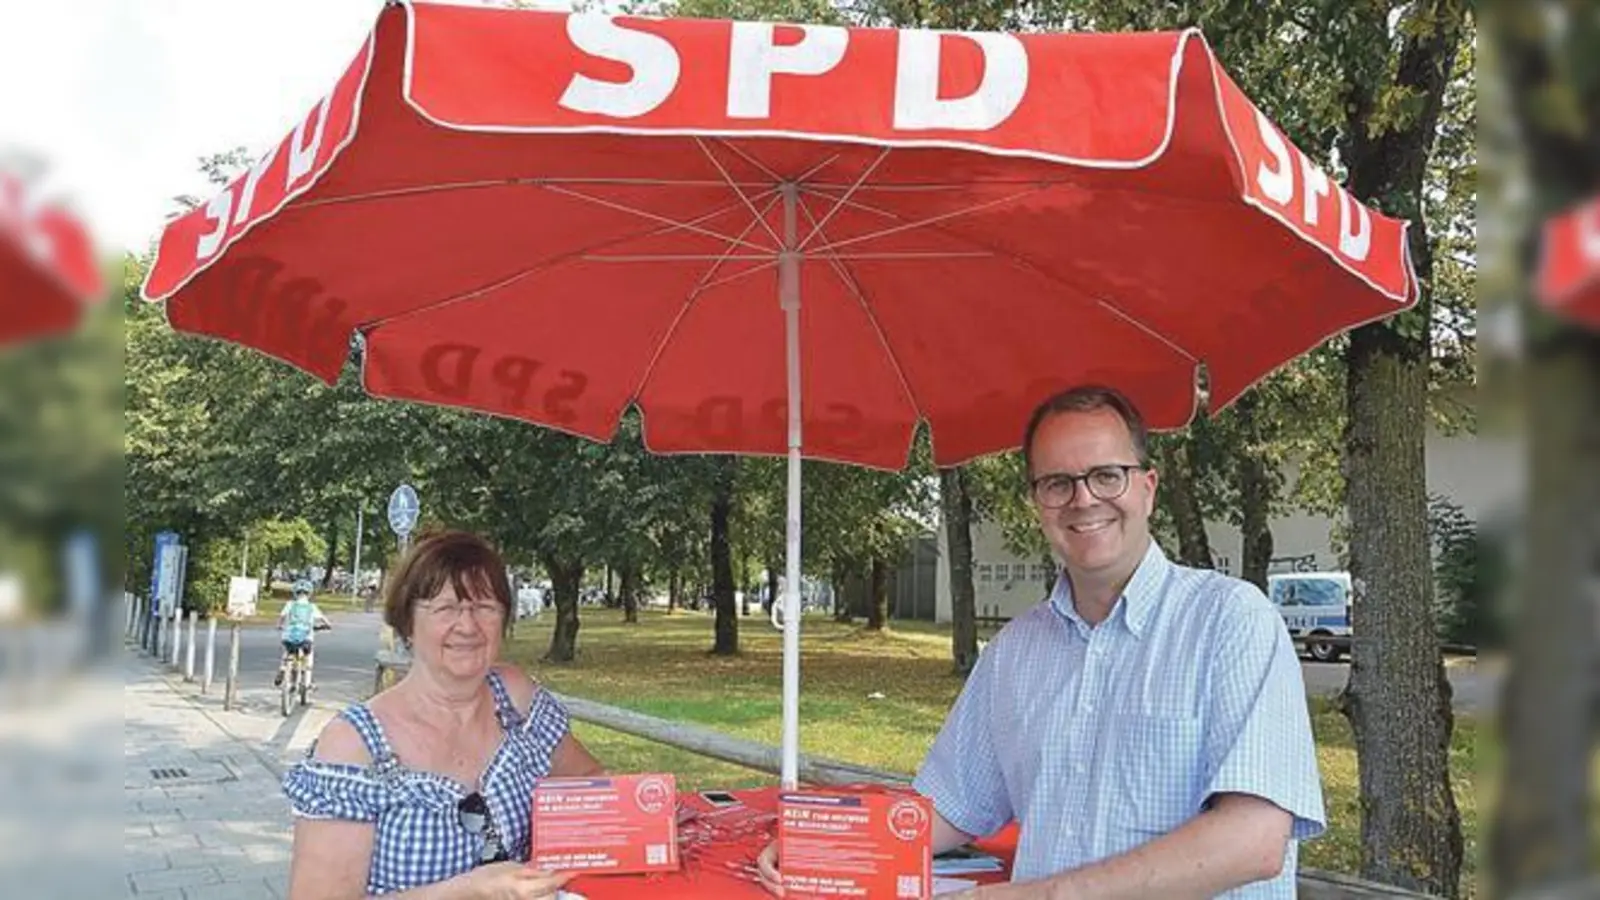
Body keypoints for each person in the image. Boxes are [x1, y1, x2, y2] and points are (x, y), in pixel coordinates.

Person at [758, 385, 1324, 899]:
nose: (1083, 499)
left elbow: (1254, 840)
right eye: (1057, 483)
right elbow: (951, 807)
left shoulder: (1231, 621)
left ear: (1148, 489)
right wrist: (829, 845)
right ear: (1037, 503)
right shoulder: (1015, 652)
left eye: (1107, 475)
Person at [281, 530, 607, 899]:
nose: (467, 626)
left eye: (485, 607)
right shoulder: (354, 745)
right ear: (407, 622)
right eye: (446, 608)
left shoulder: (516, 699)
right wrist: (468, 892)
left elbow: (592, 784)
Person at [275, 580, 330, 688]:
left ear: (296, 592)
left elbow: (282, 617)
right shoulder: (311, 607)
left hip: (290, 635)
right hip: (306, 637)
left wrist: (279, 625)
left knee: (287, 651)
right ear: (309, 593)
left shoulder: (290, 604)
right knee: (308, 655)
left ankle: (282, 668)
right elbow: (324, 619)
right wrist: (327, 625)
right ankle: (307, 682)